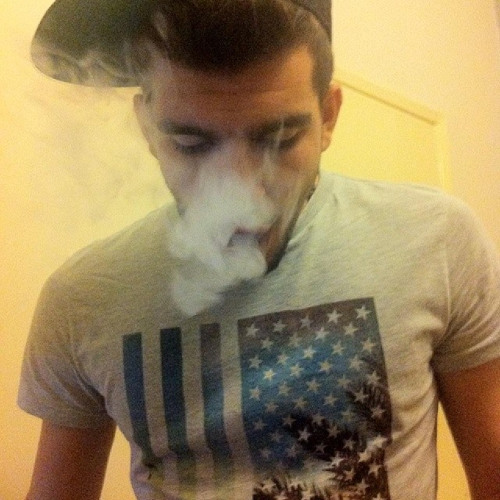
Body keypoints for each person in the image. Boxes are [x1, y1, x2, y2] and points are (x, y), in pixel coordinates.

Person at [18, 0, 500, 499]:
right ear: (146, 126)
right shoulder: (83, 298)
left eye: (280, 137)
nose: (243, 195)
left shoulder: (437, 239)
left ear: (328, 115)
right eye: (192, 144)